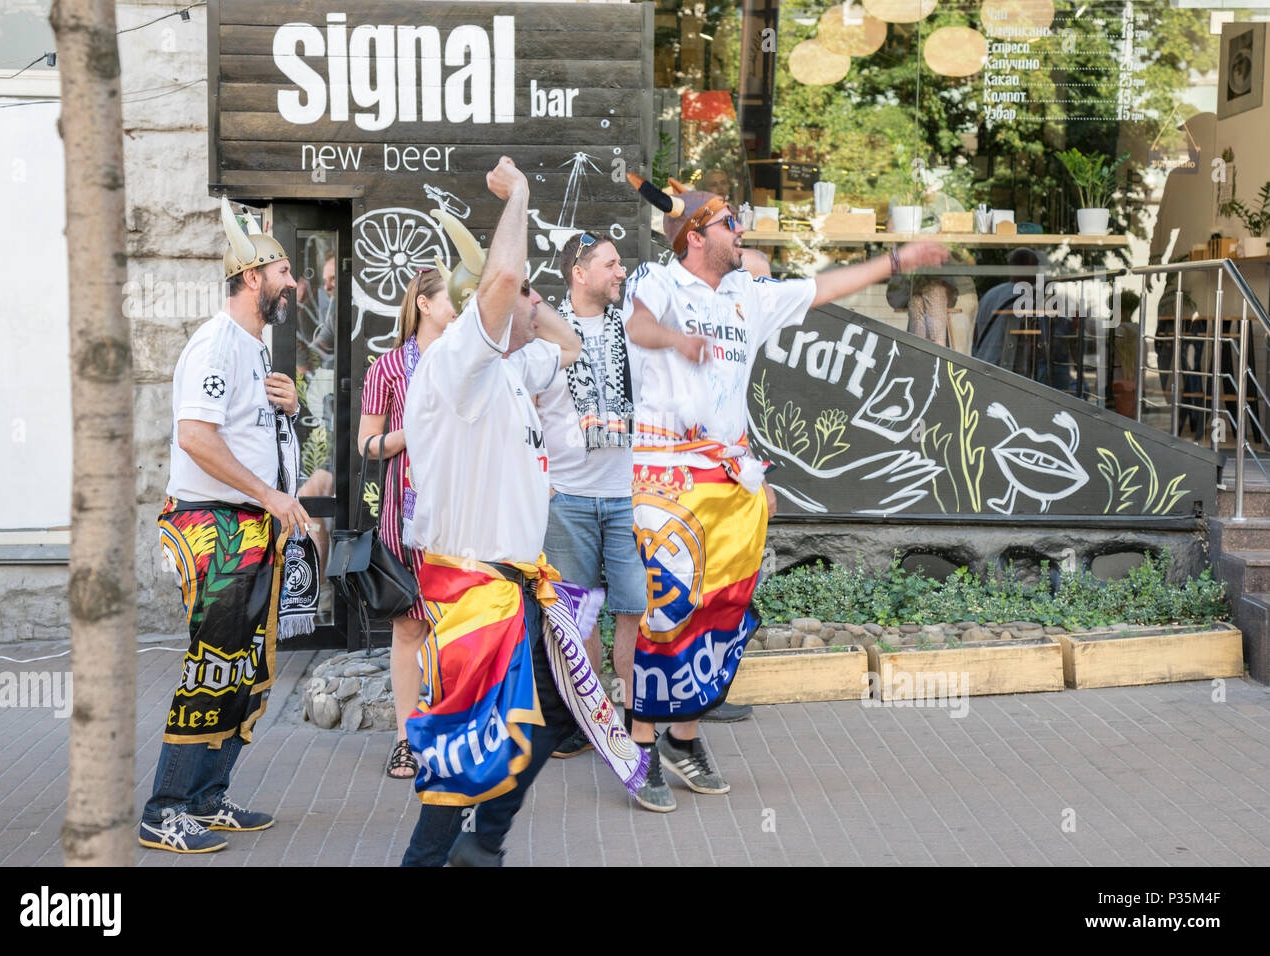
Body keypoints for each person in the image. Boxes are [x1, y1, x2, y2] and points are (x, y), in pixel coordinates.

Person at [621, 177, 948, 810]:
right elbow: (637, 328)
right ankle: (640, 749)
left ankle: (683, 740)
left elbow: (824, 288)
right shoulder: (657, 281)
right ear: (694, 235)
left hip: (733, 475)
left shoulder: (749, 294)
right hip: (666, 474)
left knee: (720, 611)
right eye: (726, 224)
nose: (738, 231)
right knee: (668, 610)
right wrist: (677, 340)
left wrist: (900, 259)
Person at [399, 157, 586, 866]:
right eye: (521, 295)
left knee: (549, 718)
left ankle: (485, 844)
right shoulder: (456, 367)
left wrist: (538, 308)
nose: (530, 300)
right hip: (474, 590)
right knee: (465, 746)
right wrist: (522, 198)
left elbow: (567, 345)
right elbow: (504, 281)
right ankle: (432, 858)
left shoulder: (512, 369)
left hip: (515, 586)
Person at [140, 199, 313, 853]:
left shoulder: (251, 347)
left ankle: (206, 798)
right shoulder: (217, 342)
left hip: (249, 529)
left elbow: (243, 435)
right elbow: (195, 437)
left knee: (241, 670)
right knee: (213, 665)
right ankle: (165, 810)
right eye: (285, 272)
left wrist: (290, 412)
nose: (293, 283)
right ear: (252, 278)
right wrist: (270, 495)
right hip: (214, 528)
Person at [534, 232, 647, 762]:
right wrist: (541, 481)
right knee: (578, 617)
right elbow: (525, 407)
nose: (620, 271)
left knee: (631, 608)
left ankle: (630, 717)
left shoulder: (632, 330)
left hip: (625, 494)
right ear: (580, 273)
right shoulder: (546, 332)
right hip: (569, 497)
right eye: (610, 263)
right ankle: (590, 718)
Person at [357, 269, 458, 779]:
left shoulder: (468, 361)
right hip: (407, 514)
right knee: (409, 627)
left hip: (463, 513)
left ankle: (453, 732)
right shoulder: (390, 366)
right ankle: (404, 738)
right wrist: (410, 432)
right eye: (452, 299)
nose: (460, 306)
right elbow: (367, 445)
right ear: (424, 303)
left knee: (463, 626)